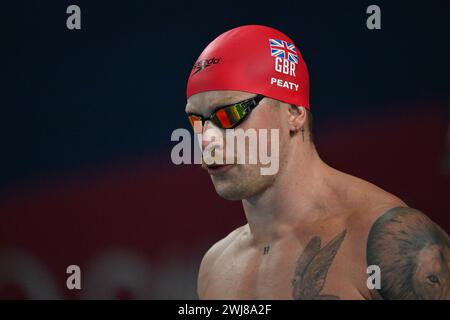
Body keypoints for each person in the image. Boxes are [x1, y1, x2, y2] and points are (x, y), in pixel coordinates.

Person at [185, 25, 450, 300]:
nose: (206, 140)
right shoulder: (215, 268)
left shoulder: (385, 240)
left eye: (229, 114)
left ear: (294, 112)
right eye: (196, 121)